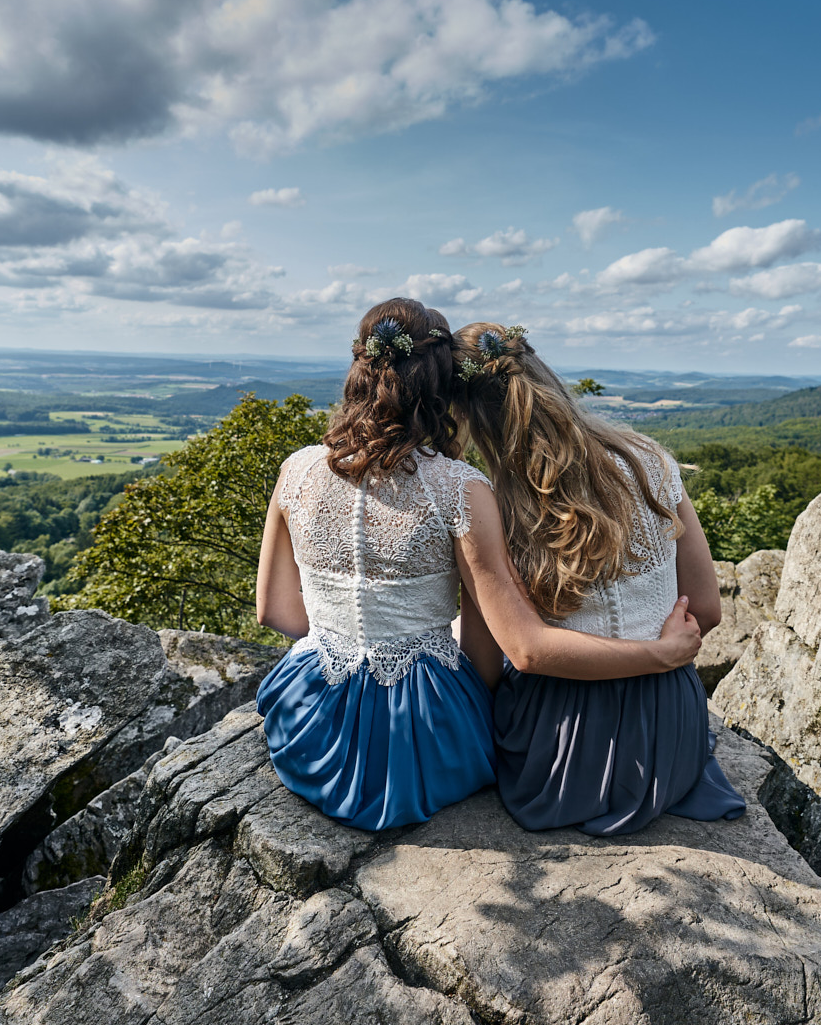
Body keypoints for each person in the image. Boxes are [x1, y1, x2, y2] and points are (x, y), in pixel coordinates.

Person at [254, 298, 703, 830]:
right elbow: (489, 649)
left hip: (310, 717)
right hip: (431, 727)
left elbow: (274, 612)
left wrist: (347, 646)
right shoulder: (460, 488)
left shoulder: (296, 470)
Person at [450, 321, 746, 836]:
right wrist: (661, 653)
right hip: (669, 729)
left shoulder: (490, 506)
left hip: (565, 752)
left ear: (467, 417)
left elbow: (507, 659)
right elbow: (707, 610)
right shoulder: (649, 461)